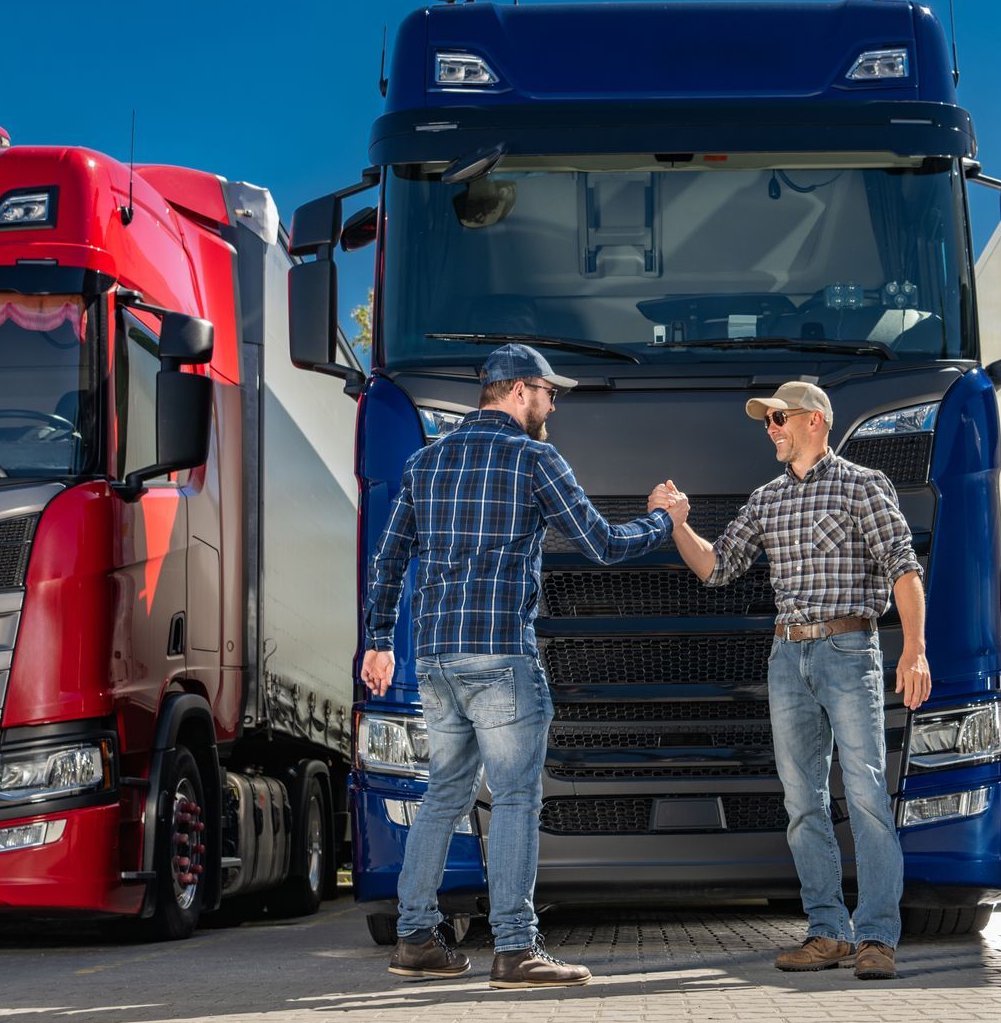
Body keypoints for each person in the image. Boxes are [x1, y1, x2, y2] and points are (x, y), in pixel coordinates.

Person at [361, 343, 680, 990]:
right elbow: (602, 544)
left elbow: (389, 562)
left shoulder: (425, 463)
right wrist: (662, 521)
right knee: (512, 799)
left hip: (438, 660)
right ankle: (514, 946)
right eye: (548, 392)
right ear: (517, 391)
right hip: (502, 655)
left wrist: (378, 641)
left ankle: (417, 936)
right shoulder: (534, 458)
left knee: (443, 794)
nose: (553, 403)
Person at [664, 381, 929, 981]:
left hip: (849, 648)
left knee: (864, 792)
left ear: (815, 421)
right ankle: (828, 931)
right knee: (802, 801)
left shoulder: (864, 485)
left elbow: (904, 569)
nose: (770, 429)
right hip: (787, 658)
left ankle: (878, 937)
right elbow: (717, 567)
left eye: (778, 418)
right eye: (766, 421)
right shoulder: (765, 500)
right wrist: (679, 523)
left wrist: (914, 650)